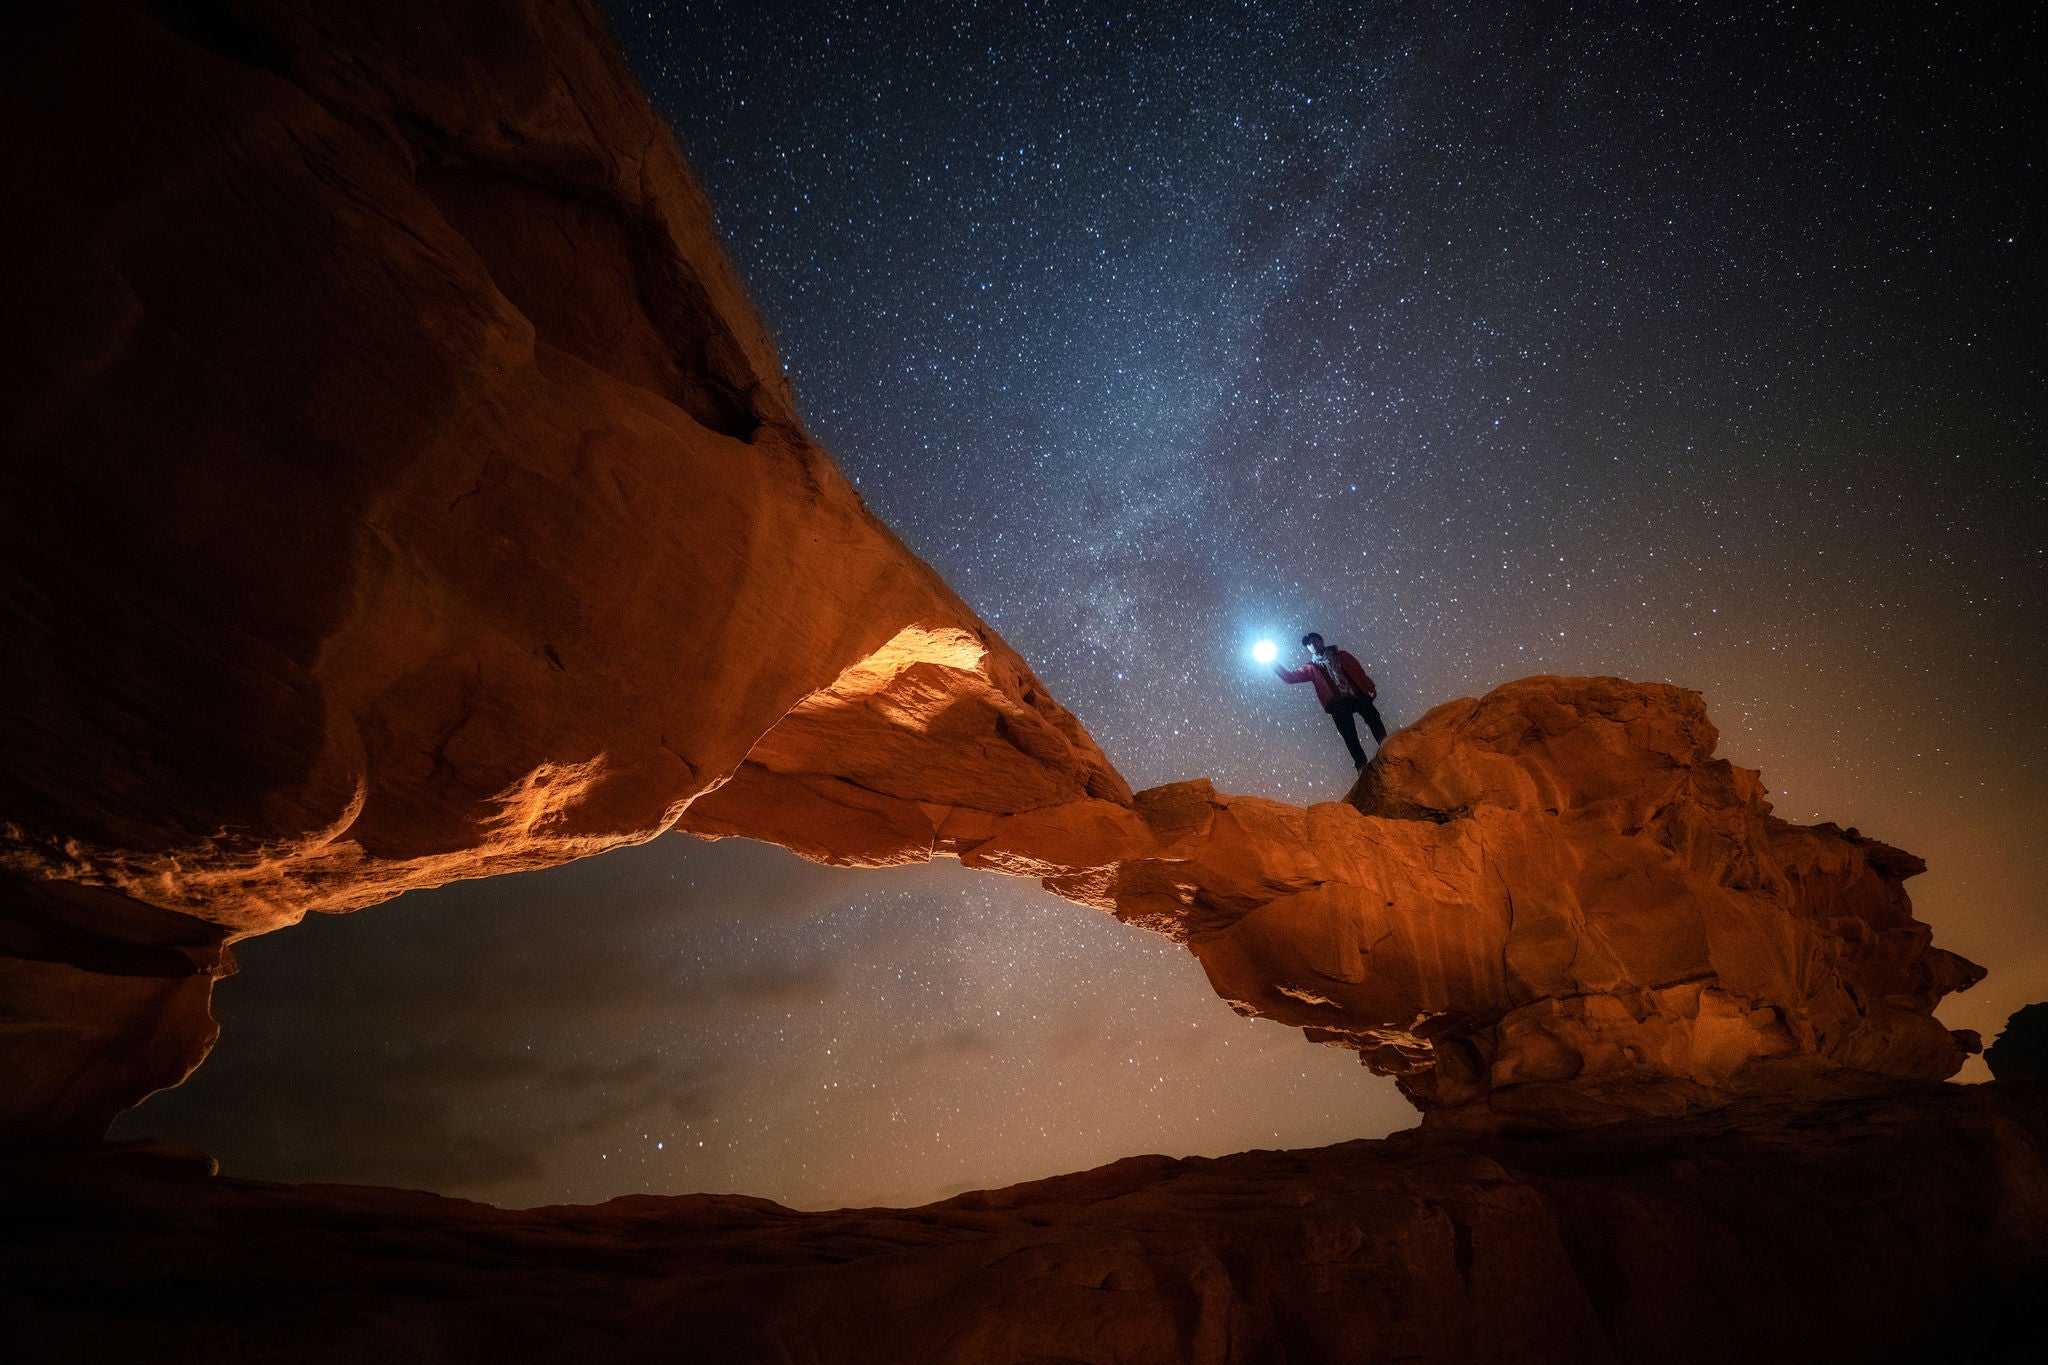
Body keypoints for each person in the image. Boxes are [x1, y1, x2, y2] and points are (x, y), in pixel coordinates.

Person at [1275, 632, 1386, 769]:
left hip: (1356, 693)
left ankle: (1387, 747)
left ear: (1321, 641)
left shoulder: (1342, 655)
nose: (1312, 645)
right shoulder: (1310, 668)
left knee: (1373, 719)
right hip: (1337, 703)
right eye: (1309, 644)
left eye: (1314, 641)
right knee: (1349, 735)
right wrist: (1273, 663)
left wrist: (1369, 685)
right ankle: (1361, 766)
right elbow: (1290, 678)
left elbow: (1358, 671)